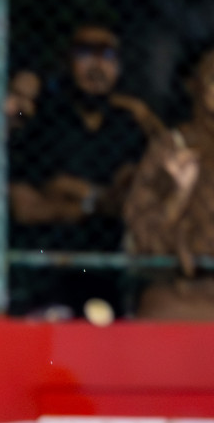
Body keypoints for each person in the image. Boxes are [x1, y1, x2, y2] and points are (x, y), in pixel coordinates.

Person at [8, 22, 150, 315]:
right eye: (85, 53)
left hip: (113, 273)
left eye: (107, 55)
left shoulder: (129, 126)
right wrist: (98, 202)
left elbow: (137, 196)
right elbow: (26, 208)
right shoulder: (43, 123)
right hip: (47, 272)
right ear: (67, 61)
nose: (96, 66)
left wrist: (72, 193)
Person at [125, 40, 214, 279]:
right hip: (179, 287)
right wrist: (177, 197)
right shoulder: (171, 147)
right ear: (195, 85)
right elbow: (141, 233)